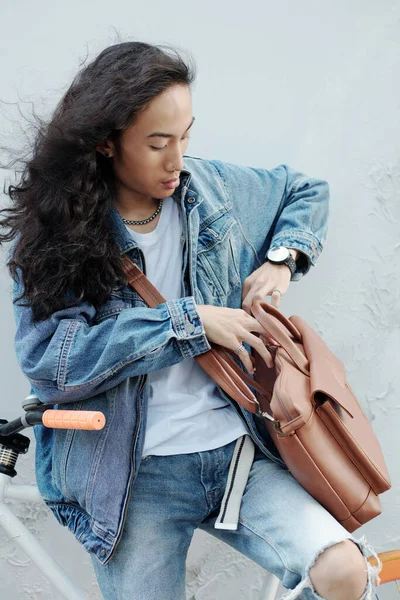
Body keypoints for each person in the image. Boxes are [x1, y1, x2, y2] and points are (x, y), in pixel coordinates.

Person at [0, 41, 378, 600]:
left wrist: (281, 261)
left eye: (185, 136)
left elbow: (305, 191)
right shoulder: (63, 234)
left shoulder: (210, 191)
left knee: (344, 571)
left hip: (238, 455)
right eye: (157, 144)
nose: (177, 160)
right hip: (134, 480)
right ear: (106, 143)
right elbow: (53, 361)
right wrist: (188, 324)